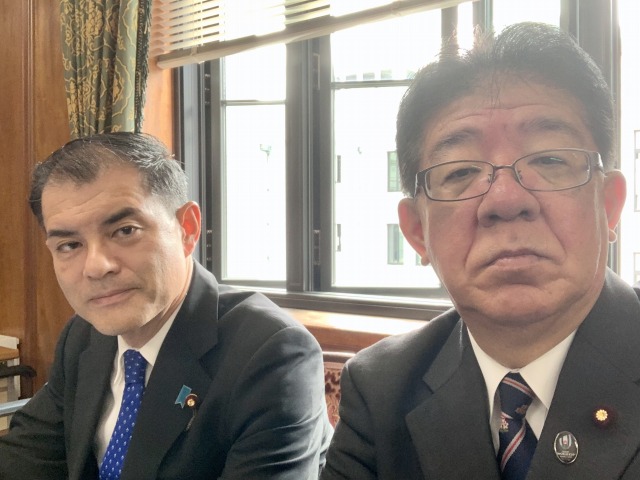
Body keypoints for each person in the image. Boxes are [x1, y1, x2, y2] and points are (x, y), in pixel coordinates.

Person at [322, 22, 639, 480]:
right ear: (416, 231)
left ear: (608, 205)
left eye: (549, 159)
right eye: (460, 171)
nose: (505, 200)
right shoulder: (380, 389)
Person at [0, 132, 332, 479]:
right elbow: (24, 460)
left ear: (187, 229)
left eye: (125, 231)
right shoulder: (83, 336)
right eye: (69, 245)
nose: (96, 267)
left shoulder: (271, 354)